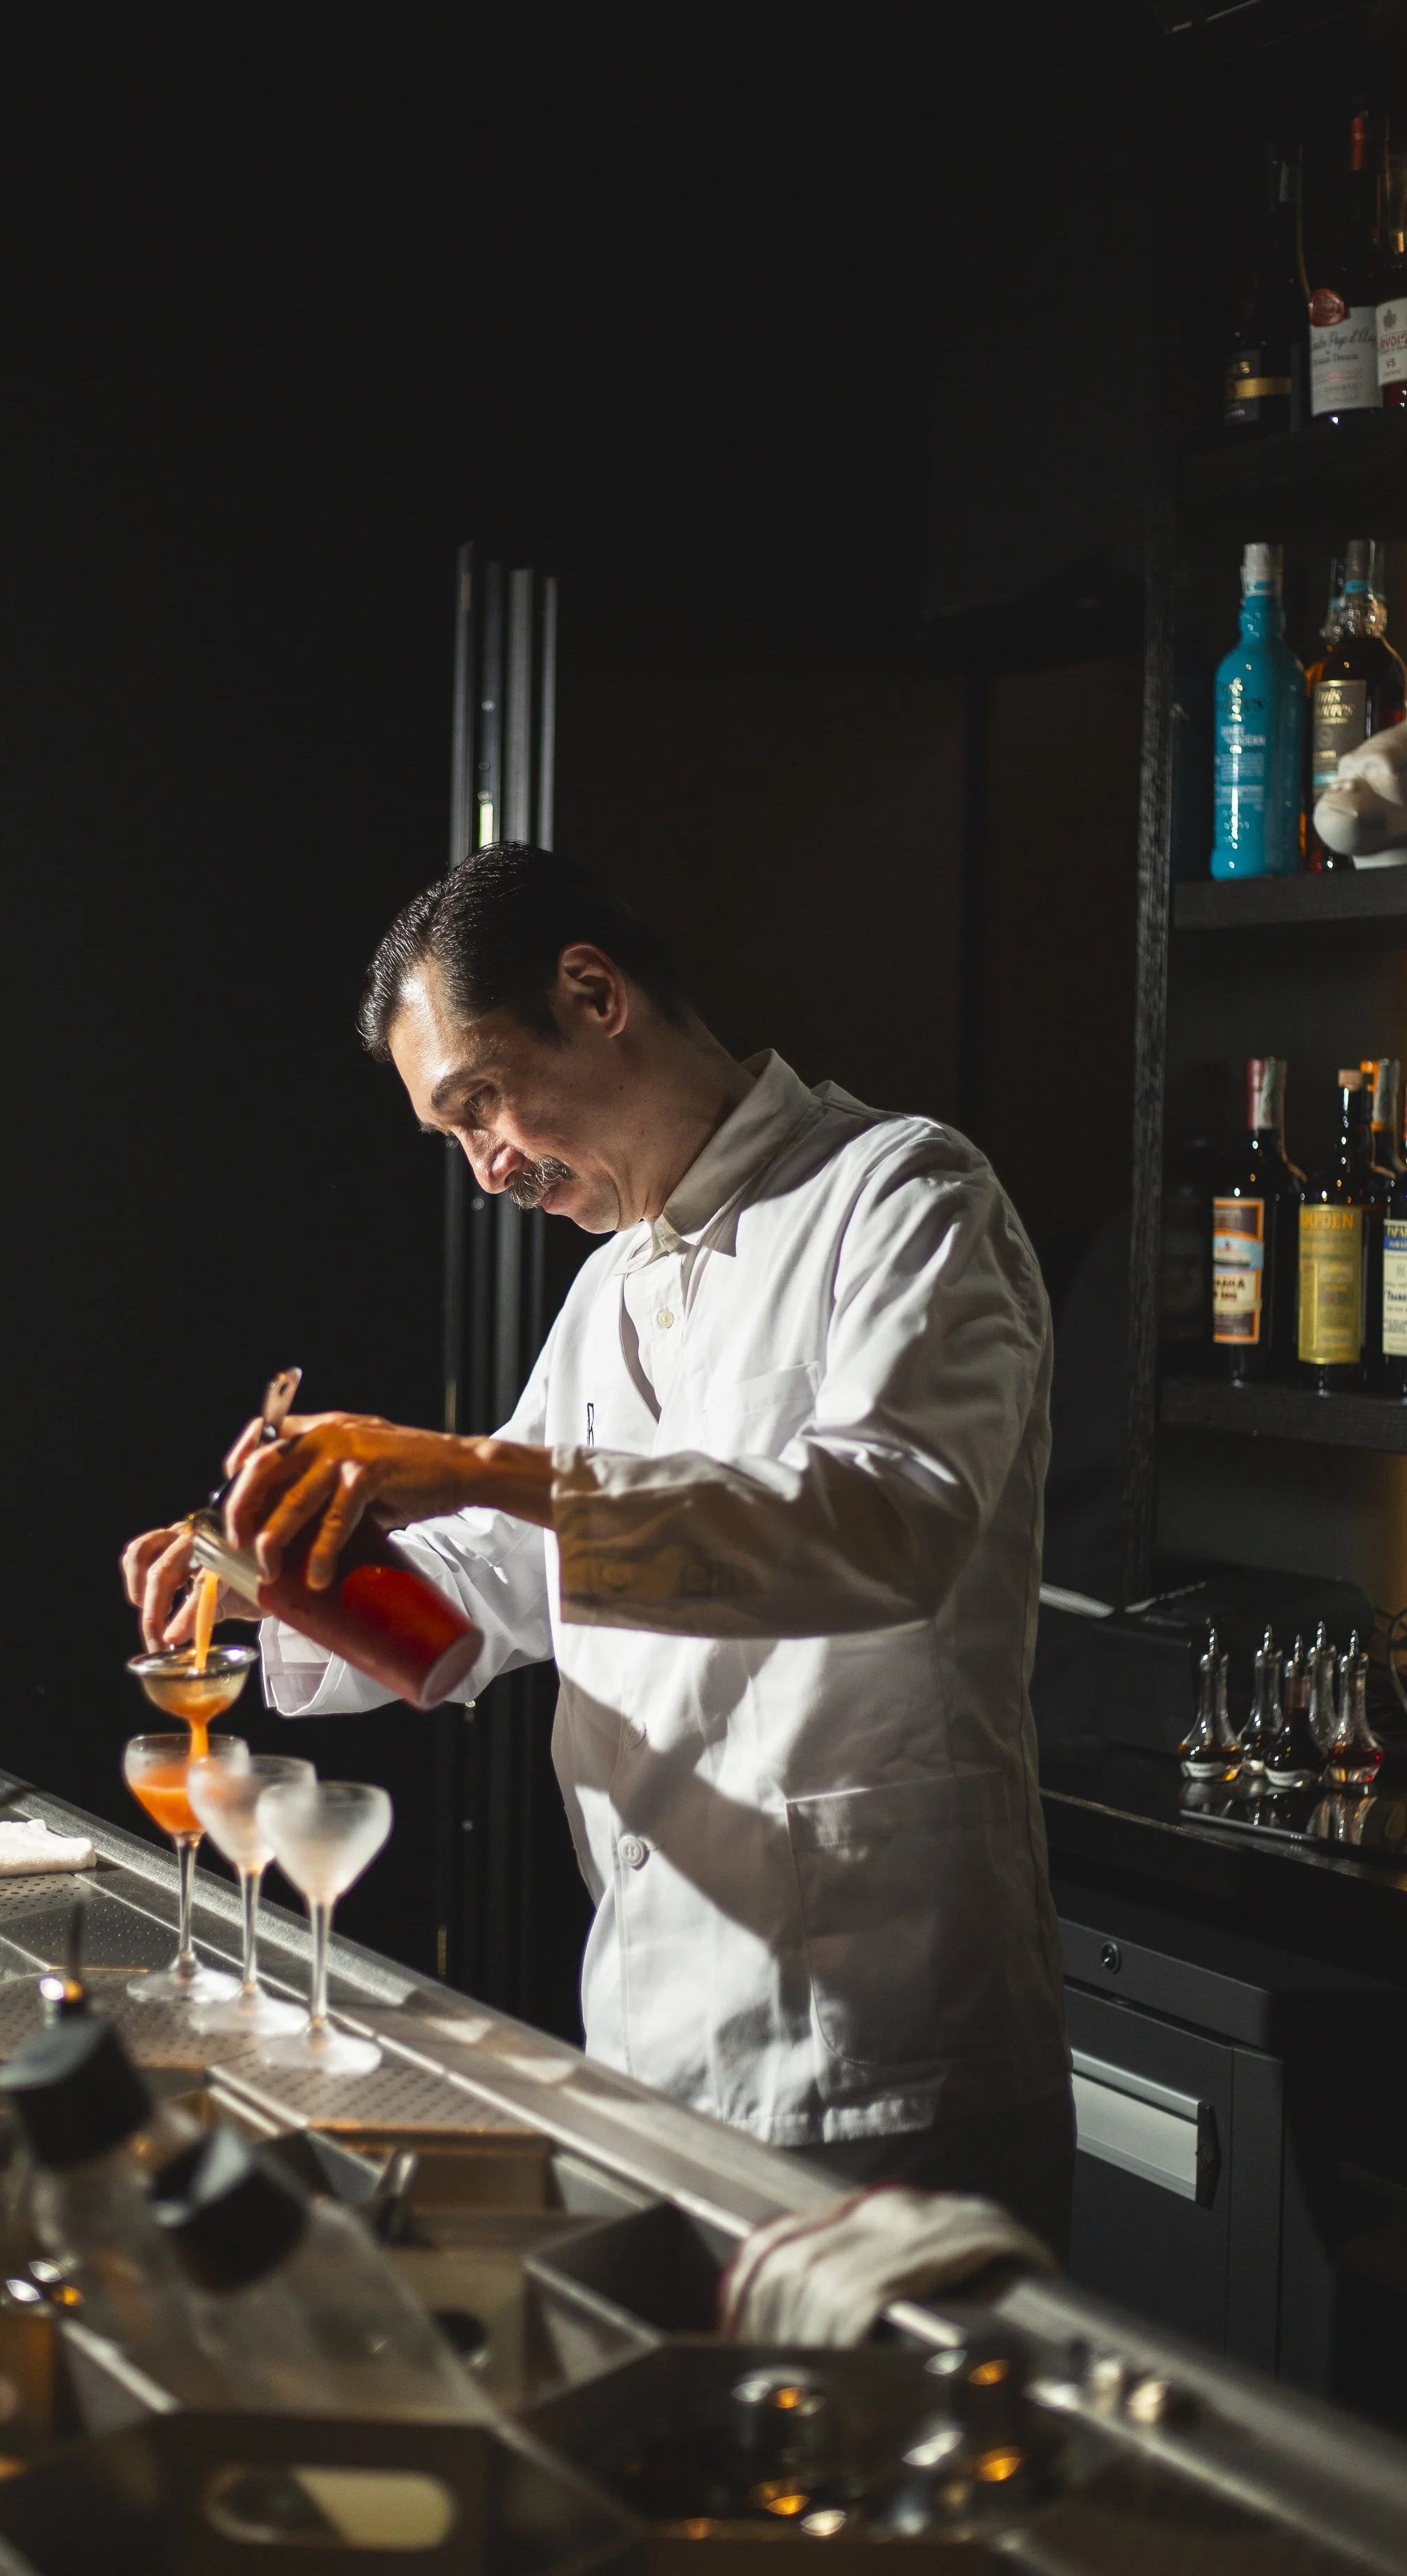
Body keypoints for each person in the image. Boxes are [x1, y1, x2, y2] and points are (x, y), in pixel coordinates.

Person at [122, 845, 1072, 2249]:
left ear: (590, 992)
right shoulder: (609, 1288)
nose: (485, 1168)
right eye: (451, 1138)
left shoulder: (902, 1196)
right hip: (644, 2029)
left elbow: (888, 1526)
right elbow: (473, 1609)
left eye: (481, 1104)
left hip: (884, 2044)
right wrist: (262, 1580)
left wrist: (473, 1466)